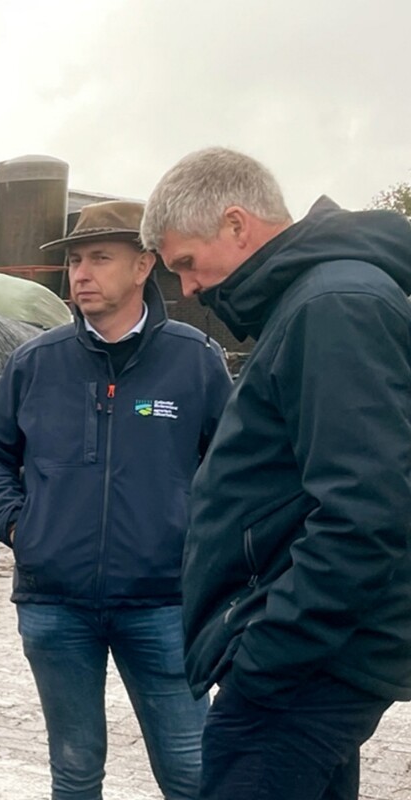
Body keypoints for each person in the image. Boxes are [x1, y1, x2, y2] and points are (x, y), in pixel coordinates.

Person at [142, 147, 411, 800]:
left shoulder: (334, 306)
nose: (188, 288)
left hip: (305, 668)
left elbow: (366, 509)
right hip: (313, 658)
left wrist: (268, 651)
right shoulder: (315, 301)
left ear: (237, 225)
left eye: (184, 263)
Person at [0, 201, 230, 800]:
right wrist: (19, 526)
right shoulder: (35, 362)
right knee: (75, 769)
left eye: (99, 259)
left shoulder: (195, 361)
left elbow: (234, 468)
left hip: (164, 604)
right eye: (74, 260)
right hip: (55, 604)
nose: (80, 273)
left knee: (193, 772)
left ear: (143, 266)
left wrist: (196, 540)